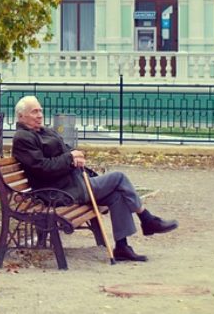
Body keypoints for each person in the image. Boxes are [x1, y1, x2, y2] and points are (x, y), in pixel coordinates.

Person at [11, 95, 178, 262]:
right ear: (21, 116)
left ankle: (122, 247)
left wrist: (76, 156)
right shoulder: (23, 138)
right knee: (118, 178)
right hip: (58, 191)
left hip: (71, 183)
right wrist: (70, 158)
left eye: (40, 110)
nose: (40, 115)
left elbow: (66, 150)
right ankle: (147, 219)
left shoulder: (44, 131)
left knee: (117, 196)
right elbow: (42, 168)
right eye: (34, 112)